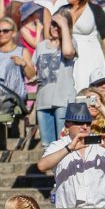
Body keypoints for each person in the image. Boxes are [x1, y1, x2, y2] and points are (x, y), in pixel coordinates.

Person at [37, 101, 105, 208]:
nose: (85, 127)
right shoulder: (59, 145)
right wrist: (69, 149)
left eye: (88, 123)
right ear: (67, 125)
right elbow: (42, 166)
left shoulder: (101, 143)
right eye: (79, 123)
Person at [33, 12, 77, 146]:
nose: (55, 28)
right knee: (48, 145)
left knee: (63, 142)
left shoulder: (70, 42)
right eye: (53, 24)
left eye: (59, 25)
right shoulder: (41, 46)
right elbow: (35, 69)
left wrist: (64, 26)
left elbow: (68, 53)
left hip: (62, 100)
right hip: (43, 100)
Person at [63, 0, 105, 91]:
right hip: (69, 57)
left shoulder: (95, 10)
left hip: (91, 56)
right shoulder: (62, 11)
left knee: (91, 90)